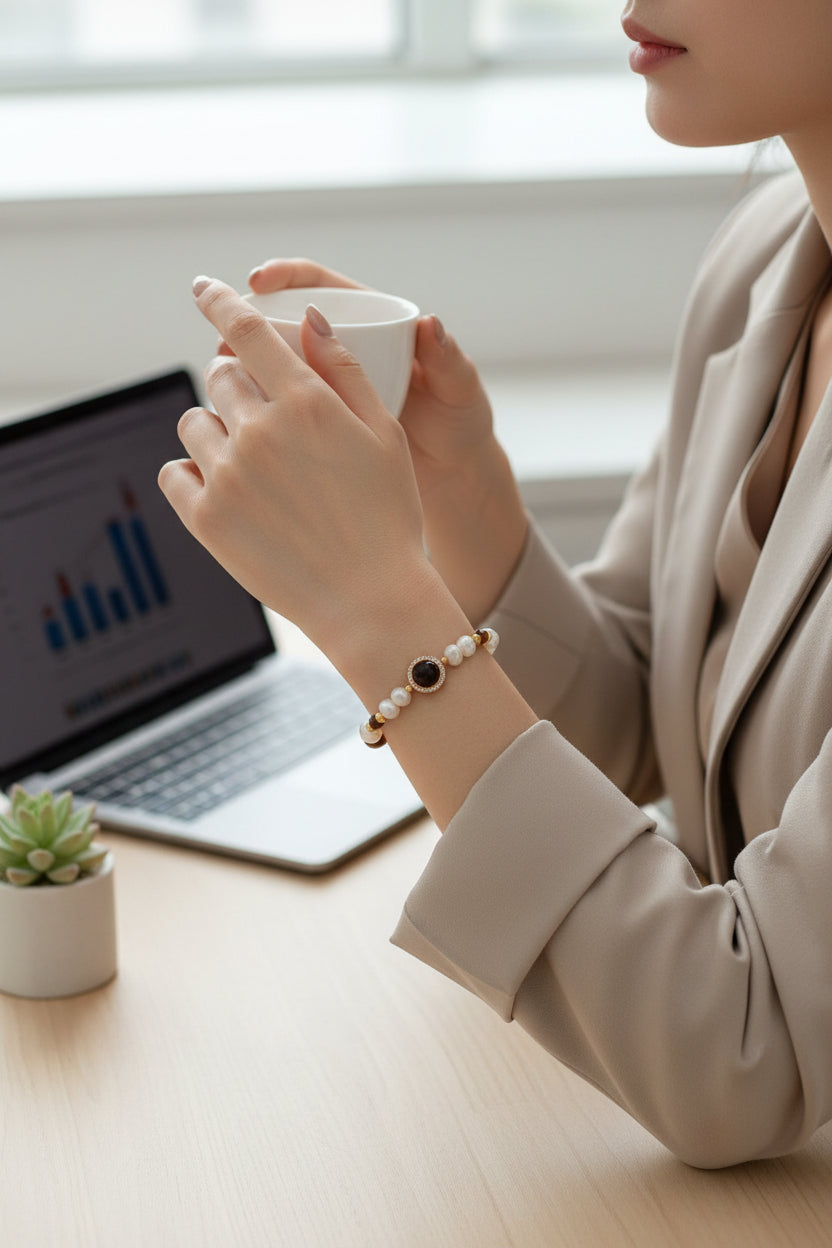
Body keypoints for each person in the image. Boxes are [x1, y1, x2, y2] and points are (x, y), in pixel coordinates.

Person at [158, 1, 832, 1169]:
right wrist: (459, 510)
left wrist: (379, 609)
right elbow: (645, 726)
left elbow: (743, 1049)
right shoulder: (773, 249)